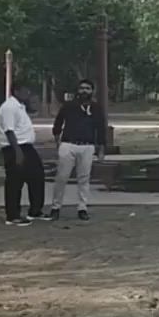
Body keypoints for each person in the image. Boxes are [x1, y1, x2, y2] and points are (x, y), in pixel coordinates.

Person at [48, 79, 107, 221]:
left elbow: (101, 129)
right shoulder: (69, 106)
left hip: (87, 146)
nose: (84, 91)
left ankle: (82, 207)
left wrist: (101, 149)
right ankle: (56, 207)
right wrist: (58, 141)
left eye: (87, 88)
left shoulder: (96, 108)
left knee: (84, 178)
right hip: (68, 144)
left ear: (92, 91)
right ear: (77, 90)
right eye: (81, 88)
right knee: (62, 177)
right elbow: (58, 123)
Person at [0, 84, 46, 226]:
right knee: (15, 181)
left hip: (27, 146)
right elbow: (9, 130)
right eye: (25, 90)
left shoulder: (20, 106)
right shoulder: (9, 107)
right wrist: (17, 152)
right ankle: (13, 215)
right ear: (16, 91)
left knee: (37, 176)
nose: (28, 93)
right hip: (15, 147)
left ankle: (35, 210)